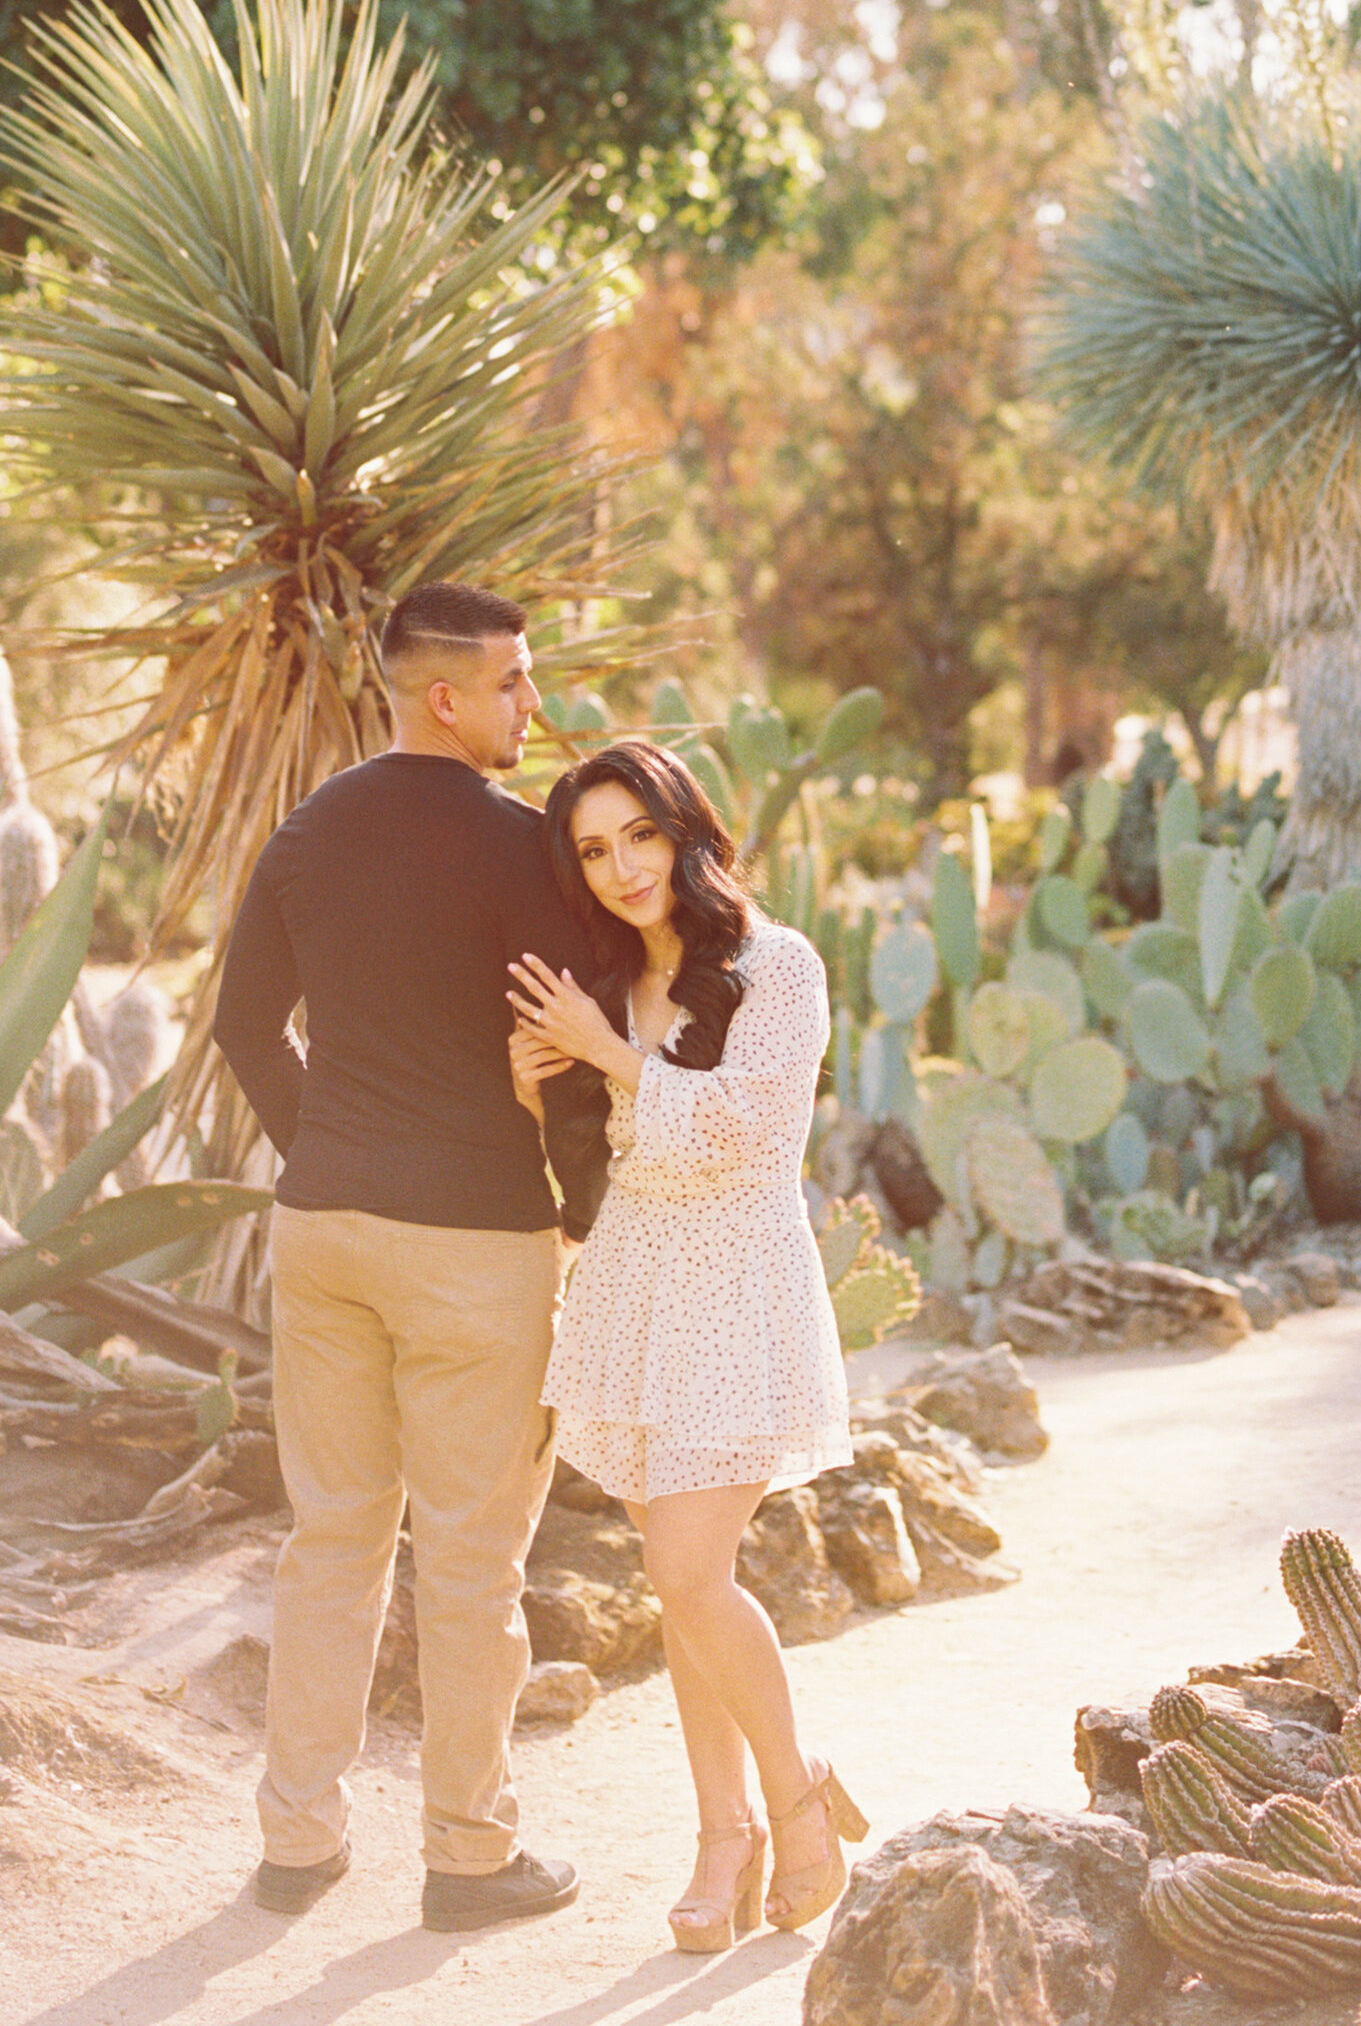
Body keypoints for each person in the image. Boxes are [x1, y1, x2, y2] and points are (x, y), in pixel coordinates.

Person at [212, 580, 607, 1930]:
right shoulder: (523, 851)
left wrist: (322, 1145)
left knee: (330, 1540)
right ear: (446, 696)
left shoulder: (305, 836)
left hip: (322, 1229)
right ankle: (469, 1858)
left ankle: (298, 1845)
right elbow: (563, 1063)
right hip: (477, 1245)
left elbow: (242, 1026)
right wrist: (587, 1210)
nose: (530, 706)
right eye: (512, 684)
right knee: (472, 1561)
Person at [509, 737, 867, 1954]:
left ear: (686, 828)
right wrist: (538, 1080)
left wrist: (612, 1057)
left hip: (737, 1288)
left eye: (638, 836)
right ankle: (726, 1837)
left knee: (686, 1573)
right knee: (679, 1576)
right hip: (638, 1288)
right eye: (593, 851)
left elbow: (753, 1140)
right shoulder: (606, 983)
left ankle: (793, 1798)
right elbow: (607, 1157)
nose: (619, 868)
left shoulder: (779, 965)